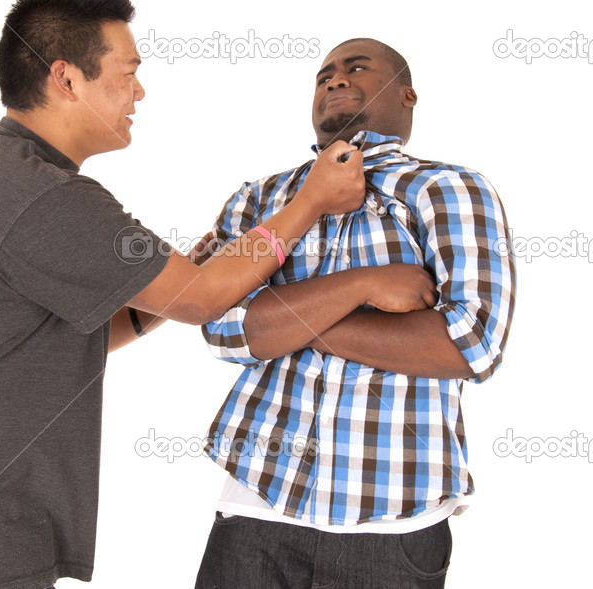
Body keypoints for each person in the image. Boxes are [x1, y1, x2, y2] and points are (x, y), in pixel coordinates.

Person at [0, 0, 427, 589]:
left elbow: (52, 340)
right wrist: (314, 208)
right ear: (67, 79)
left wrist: (196, 268)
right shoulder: (41, 195)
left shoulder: (1, 167)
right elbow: (206, 303)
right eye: (127, 72)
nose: (139, 91)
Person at [194, 38, 516, 588]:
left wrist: (288, 318)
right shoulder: (260, 199)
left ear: (408, 95)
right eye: (324, 75)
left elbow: (471, 343)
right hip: (255, 505)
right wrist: (363, 286)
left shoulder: (448, 190)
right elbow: (223, 329)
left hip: (396, 520)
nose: (334, 80)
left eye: (356, 68)